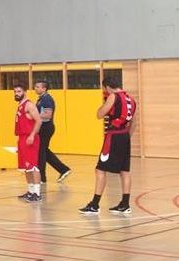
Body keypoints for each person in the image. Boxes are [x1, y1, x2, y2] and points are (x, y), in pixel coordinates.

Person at [80, 77, 137, 215]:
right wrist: (126, 137)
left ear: (107, 87)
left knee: (100, 170)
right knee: (125, 171)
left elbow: (100, 114)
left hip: (114, 136)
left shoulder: (113, 96)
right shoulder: (131, 99)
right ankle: (125, 204)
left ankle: (94, 205)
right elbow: (134, 123)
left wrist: (104, 103)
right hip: (124, 136)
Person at [34, 81, 71, 183]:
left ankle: (42, 178)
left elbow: (48, 115)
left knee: (41, 152)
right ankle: (63, 169)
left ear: (44, 88)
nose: (35, 88)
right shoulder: (41, 99)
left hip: (46, 128)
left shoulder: (46, 99)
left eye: (37, 87)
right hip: (43, 128)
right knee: (44, 151)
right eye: (35, 87)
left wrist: (33, 115)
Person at [14, 84, 43, 202]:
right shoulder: (20, 105)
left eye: (19, 91)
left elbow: (39, 120)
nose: (16, 93)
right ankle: (31, 191)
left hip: (30, 138)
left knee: (33, 166)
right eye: (15, 91)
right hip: (22, 138)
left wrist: (31, 135)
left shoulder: (29, 105)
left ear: (25, 92)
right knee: (26, 167)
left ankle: (37, 193)